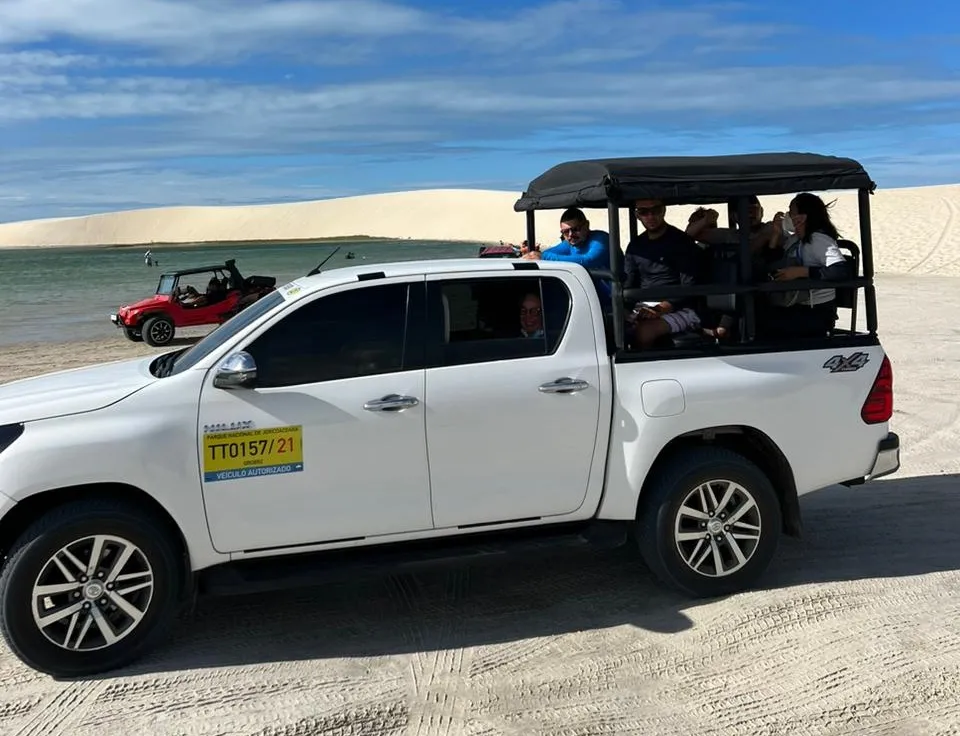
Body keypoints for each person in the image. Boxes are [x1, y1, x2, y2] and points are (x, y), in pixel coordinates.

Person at [757, 192, 849, 338]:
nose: (787, 216)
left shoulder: (818, 240)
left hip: (816, 311)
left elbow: (840, 271)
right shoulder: (795, 240)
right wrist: (775, 234)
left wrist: (801, 272)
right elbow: (771, 263)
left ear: (801, 218)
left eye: (790, 213)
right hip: (795, 304)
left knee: (761, 325)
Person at [623, 199, 704, 348]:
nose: (650, 216)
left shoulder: (681, 242)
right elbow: (629, 283)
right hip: (644, 305)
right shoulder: (635, 246)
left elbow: (689, 287)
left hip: (680, 307)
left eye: (655, 210)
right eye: (644, 212)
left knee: (644, 332)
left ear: (664, 210)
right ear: (637, 215)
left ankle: (645, 363)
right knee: (609, 325)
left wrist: (661, 308)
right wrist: (624, 310)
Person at [522, 208, 610, 270]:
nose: (570, 235)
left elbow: (589, 260)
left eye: (576, 229)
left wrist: (544, 257)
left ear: (587, 225)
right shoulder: (569, 243)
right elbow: (547, 253)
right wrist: (534, 255)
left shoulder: (600, 239)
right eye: (566, 232)